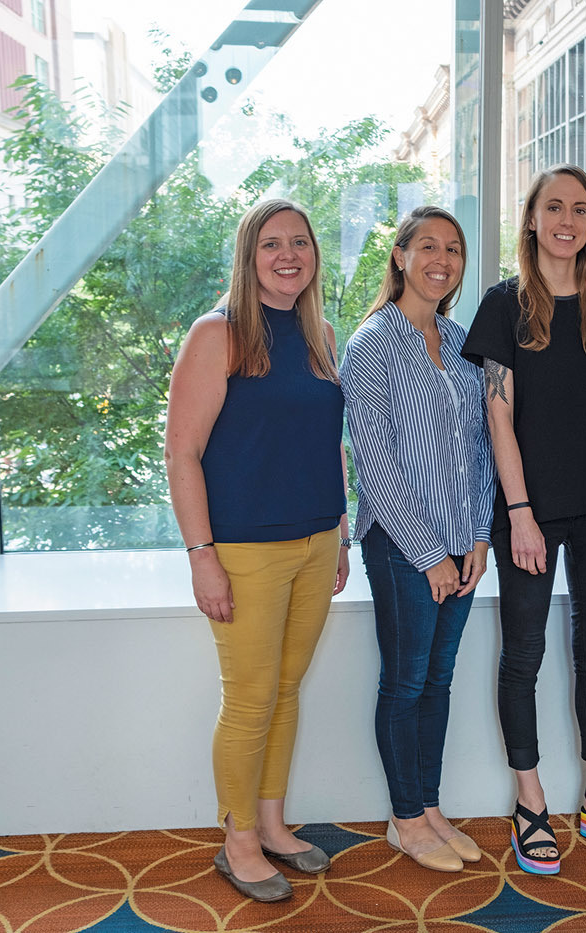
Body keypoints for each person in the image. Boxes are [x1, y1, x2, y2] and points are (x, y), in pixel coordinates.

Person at [460, 164, 586, 875]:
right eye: (555, 207)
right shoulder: (503, 304)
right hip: (529, 510)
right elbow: (497, 415)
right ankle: (530, 802)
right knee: (525, 655)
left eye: (581, 209)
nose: (568, 220)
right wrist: (520, 512)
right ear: (532, 218)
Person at [164, 198, 350, 903]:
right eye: (271, 244)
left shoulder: (320, 333)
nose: (288, 255)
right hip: (245, 550)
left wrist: (339, 531)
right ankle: (238, 840)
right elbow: (182, 453)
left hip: (316, 541)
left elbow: (327, 444)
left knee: (286, 689)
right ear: (248, 257)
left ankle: (271, 823)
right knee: (249, 699)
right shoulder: (218, 334)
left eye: (299, 242)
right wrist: (201, 555)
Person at [339, 206, 494, 873]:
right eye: (428, 246)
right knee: (405, 683)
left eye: (453, 248)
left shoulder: (461, 342)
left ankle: (429, 808)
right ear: (400, 256)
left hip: (463, 542)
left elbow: (482, 449)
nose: (442, 259)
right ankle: (405, 819)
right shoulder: (371, 344)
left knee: (439, 679)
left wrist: (479, 537)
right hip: (404, 547)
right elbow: (375, 467)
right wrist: (429, 554)